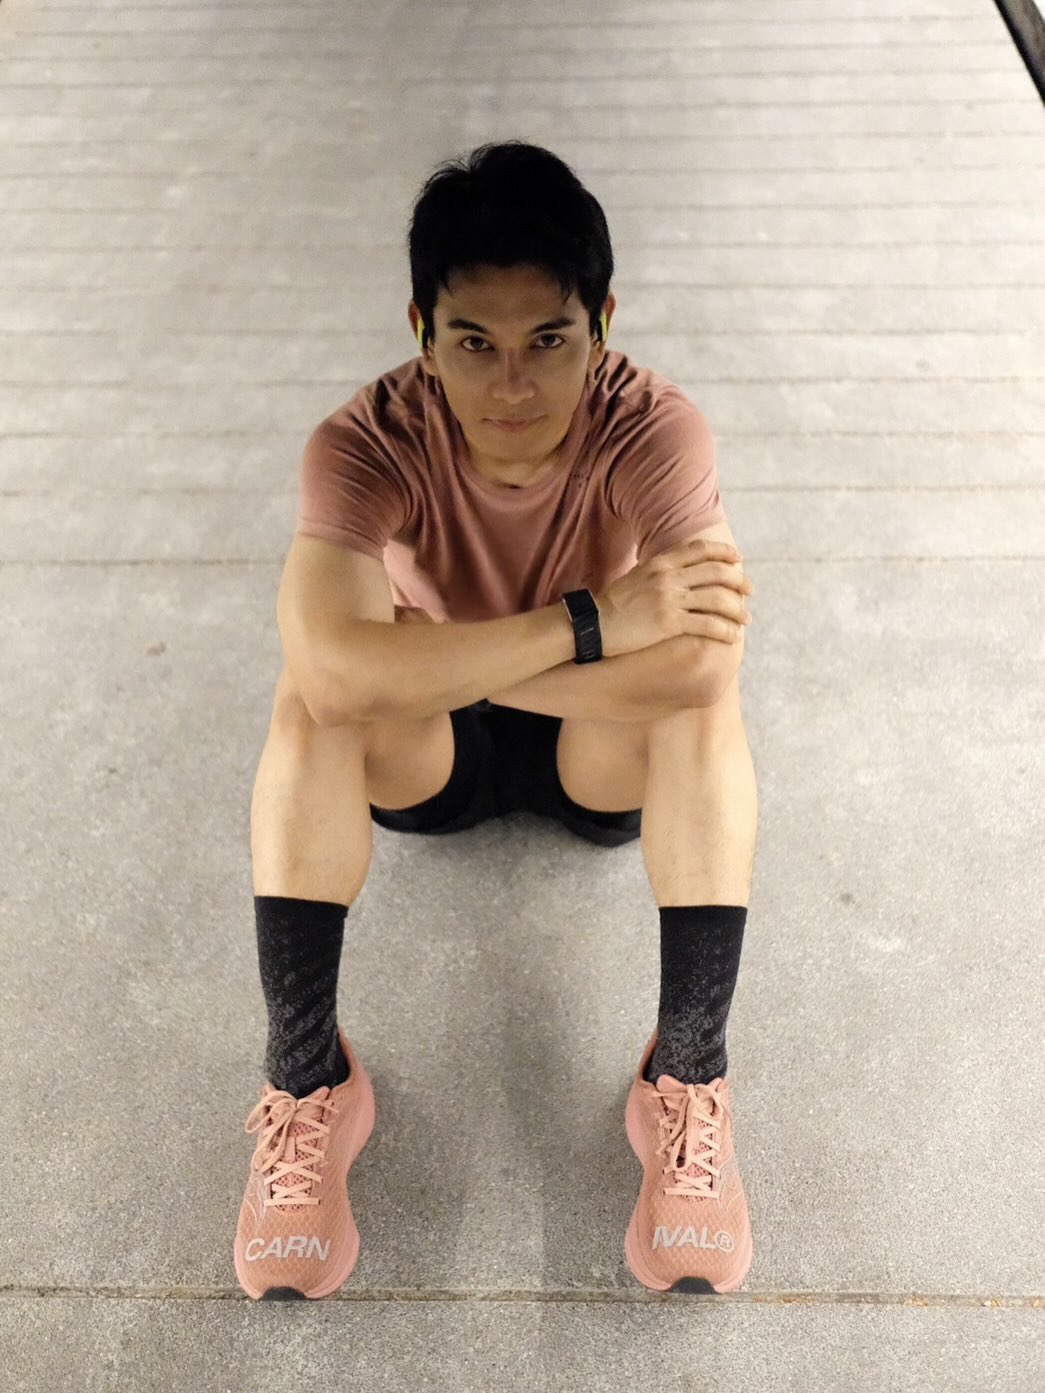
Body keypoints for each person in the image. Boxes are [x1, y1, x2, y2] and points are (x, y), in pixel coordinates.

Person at [234, 141, 758, 1302]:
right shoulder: (363, 442)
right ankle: (309, 1079)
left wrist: (434, 661)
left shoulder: (655, 429)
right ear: (421, 329)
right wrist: (594, 621)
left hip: (592, 751)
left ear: (601, 326)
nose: (511, 386)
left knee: (704, 705)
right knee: (307, 701)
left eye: (547, 342)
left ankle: (684, 1076)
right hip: (436, 756)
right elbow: (329, 673)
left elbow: (701, 661)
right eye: (474, 343)